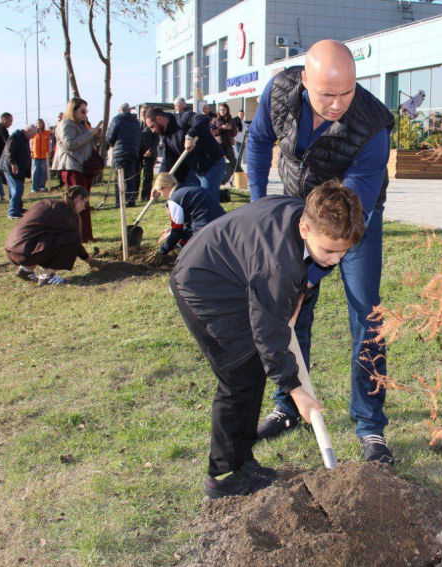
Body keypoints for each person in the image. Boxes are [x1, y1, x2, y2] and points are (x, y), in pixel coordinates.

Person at [245, 40, 395, 464]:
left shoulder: (371, 126)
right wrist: (260, 206)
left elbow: (345, 225)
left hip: (355, 217)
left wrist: (306, 278)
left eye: (346, 93)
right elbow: (257, 145)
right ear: (303, 80)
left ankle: (370, 427)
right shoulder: (278, 92)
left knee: (367, 313)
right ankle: (289, 405)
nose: (337, 104)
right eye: (327, 94)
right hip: (300, 210)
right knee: (296, 314)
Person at [170, 180, 364, 498]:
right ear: (304, 229)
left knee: (251, 371)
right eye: (329, 250)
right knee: (238, 376)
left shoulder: (302, 218)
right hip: (203, 286)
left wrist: (297, 296)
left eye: (344, 251)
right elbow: (269, 333)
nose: (336, 260)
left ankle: (242, 461)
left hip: (232, 271)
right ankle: (222, 476)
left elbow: (279, 307)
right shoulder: (279, 265)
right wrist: (296, 392)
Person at [4, 185, 100, 286]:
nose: (85, 207)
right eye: (85, 202)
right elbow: (74, 243)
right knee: (73, 238)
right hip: (25, 254)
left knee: (48, 238)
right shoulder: (68, 213)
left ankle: (26, 269)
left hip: (11, 251)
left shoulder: (48, 203)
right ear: (78, 199)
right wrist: (90, 261)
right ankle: (47, 276)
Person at [144, 106, 226, 200]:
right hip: (196, 170)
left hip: (212, 164)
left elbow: (203, 119)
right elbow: (167, 161)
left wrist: (190, 136)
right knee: (187, 198)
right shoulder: (166, 136)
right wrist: (157, 185)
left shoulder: (181, 118)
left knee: (208, 201)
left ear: (159, 118)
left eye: (152, 126)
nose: (152, 130)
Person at [53, 98, 103, 242]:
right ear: (72, 110)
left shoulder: (79, 124)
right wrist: (90, 134)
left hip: (81, 168)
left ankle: (85, 235)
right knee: (78, 203)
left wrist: (94, 135)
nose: (85, 114)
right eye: (82, 111)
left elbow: (83, 142)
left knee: (84, 202)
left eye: (86, 111)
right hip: (72, 168)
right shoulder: (65, 124)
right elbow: (69, 144)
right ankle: (79, 236)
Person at [149, 172, 225, 257]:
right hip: (222, 221)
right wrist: (171, 229)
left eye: (160, 192)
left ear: (166, 188)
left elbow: (177, 232)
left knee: (180, 242)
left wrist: (163, 250)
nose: (162, 195)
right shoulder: (187, 187)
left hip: (206, 230)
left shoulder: (174, 200)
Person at [106, 102, 142, 207]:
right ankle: (131, 201)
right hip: (133, 152)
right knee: (130, 178)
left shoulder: (117, 119)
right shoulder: (136, 122)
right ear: (129, 110)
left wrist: (111, 143)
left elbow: (110, 136)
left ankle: (120, 201)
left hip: (120, 152)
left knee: (119, 178)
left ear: (119, 110)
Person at [0, 124, 37, 219]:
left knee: (16, 188)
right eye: (33, 134)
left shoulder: (24, 138)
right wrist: (13, 163)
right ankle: (12, 211)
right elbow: (9, 151)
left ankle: (18, 208)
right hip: (10, 167)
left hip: (19, 168)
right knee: (17, 188)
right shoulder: (15, 137)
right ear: (27, 130)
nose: (33, 136)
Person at [137, 107, 159, 203]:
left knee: (147, 175)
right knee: (136, 175)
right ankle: (134, 195)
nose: (143, 113)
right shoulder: (136, 124)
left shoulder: (152, 125)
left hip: (149, 154)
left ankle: (145, 196)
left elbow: (156, 139)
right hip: (138, 154)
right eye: (142, 112)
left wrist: (151, 149)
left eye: (145, 112)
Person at [213, 104, 238, 185]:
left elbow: (234, 133)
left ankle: (228, 179)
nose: (222, 111)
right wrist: (221, 128)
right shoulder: (215, 120)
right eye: (220, 110)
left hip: (228, 144)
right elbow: (213, 132)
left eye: (224, 109)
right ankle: (219, 180)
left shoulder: (231, 120)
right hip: (218, 144)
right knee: (218, 162)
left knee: (233, 162)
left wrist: (230, 128)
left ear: (227, 110)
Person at [30, 119, 52, 193]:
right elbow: (31, 143)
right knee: (35, 171)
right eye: (37, 123)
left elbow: (49, 143)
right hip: (35, 155)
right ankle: (34, 187)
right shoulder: (33, 133)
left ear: (43, 124)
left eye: (40, 123)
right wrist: (31, 152)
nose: (39, 124)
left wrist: (49, 151)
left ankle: (42, 186)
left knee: (43, 171)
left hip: (44, 155)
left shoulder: (47, 133)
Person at [233, 109, 246, 173]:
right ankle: (237, 168)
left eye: (243, 114)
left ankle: (237, 168)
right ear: (238, 114)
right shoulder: (235, 121)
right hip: (236, 141)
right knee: (239, 155)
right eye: (240, 114)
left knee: (240, 155)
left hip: (243, 141)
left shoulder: (244, 123)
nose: (241, 115)